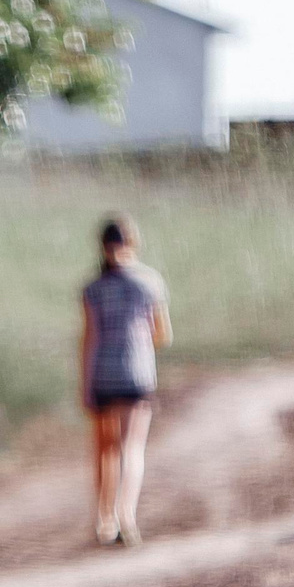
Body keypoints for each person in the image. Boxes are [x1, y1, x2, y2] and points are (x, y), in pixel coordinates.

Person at [80, 215, 171, 546]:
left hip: (103, 375)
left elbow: (89, 339)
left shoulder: (93, 289)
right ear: (133, 242)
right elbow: (163, 334)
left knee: (106, 452)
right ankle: (126, 516)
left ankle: (103, 520)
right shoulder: (149, 283)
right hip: (136, 372)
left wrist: (86, 385)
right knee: (132, 449)